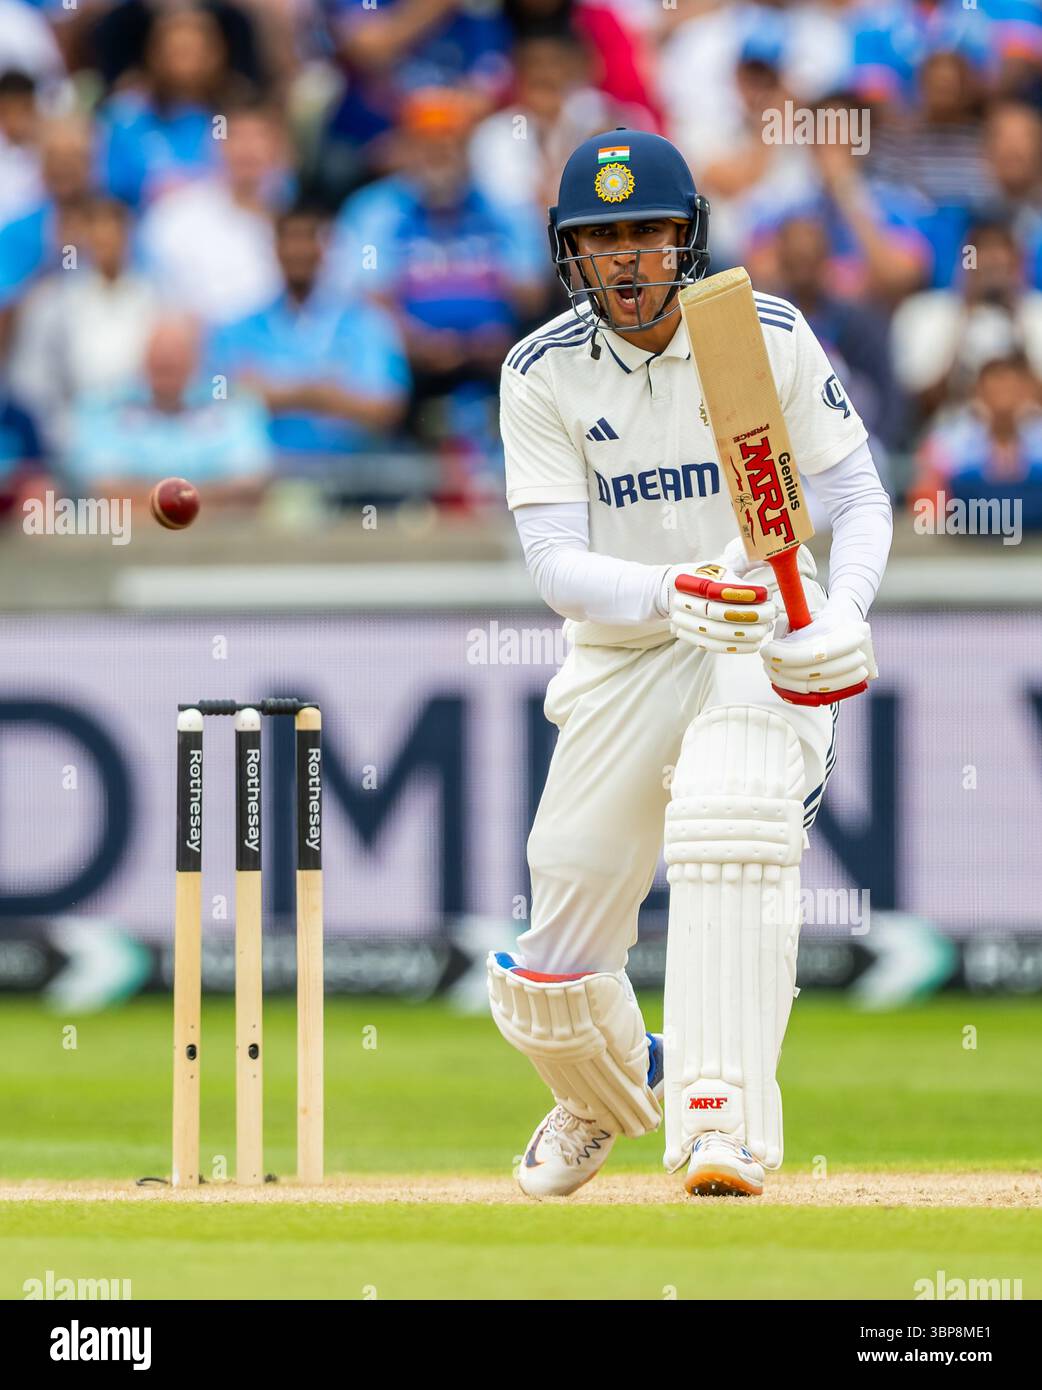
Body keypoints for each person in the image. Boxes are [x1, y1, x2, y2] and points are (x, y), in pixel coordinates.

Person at [488, 129, 892, 1200]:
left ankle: (721, 1119)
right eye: (601, 237)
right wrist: (669, 594)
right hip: (624, 655)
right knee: (550, 967)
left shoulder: (757, 333)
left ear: (686, 238)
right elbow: (553, 564)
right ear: (571, 252)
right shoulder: (540, 372)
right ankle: (613, 1087)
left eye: (647, 233)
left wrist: (834, 612)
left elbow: (853, 499)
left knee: (729, 831)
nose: (626, 258)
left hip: (756, 636)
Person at [210, 204, 409, 480]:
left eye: (307, 239)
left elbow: (384, 408)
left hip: (353, 477)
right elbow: (222, 404)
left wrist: (275, 393)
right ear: (275, 249)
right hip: (265, 478)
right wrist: (318, 393)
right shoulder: (239, 328)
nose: (298, 251)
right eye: (289, 240)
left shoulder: (365, 323)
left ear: (324, 248)